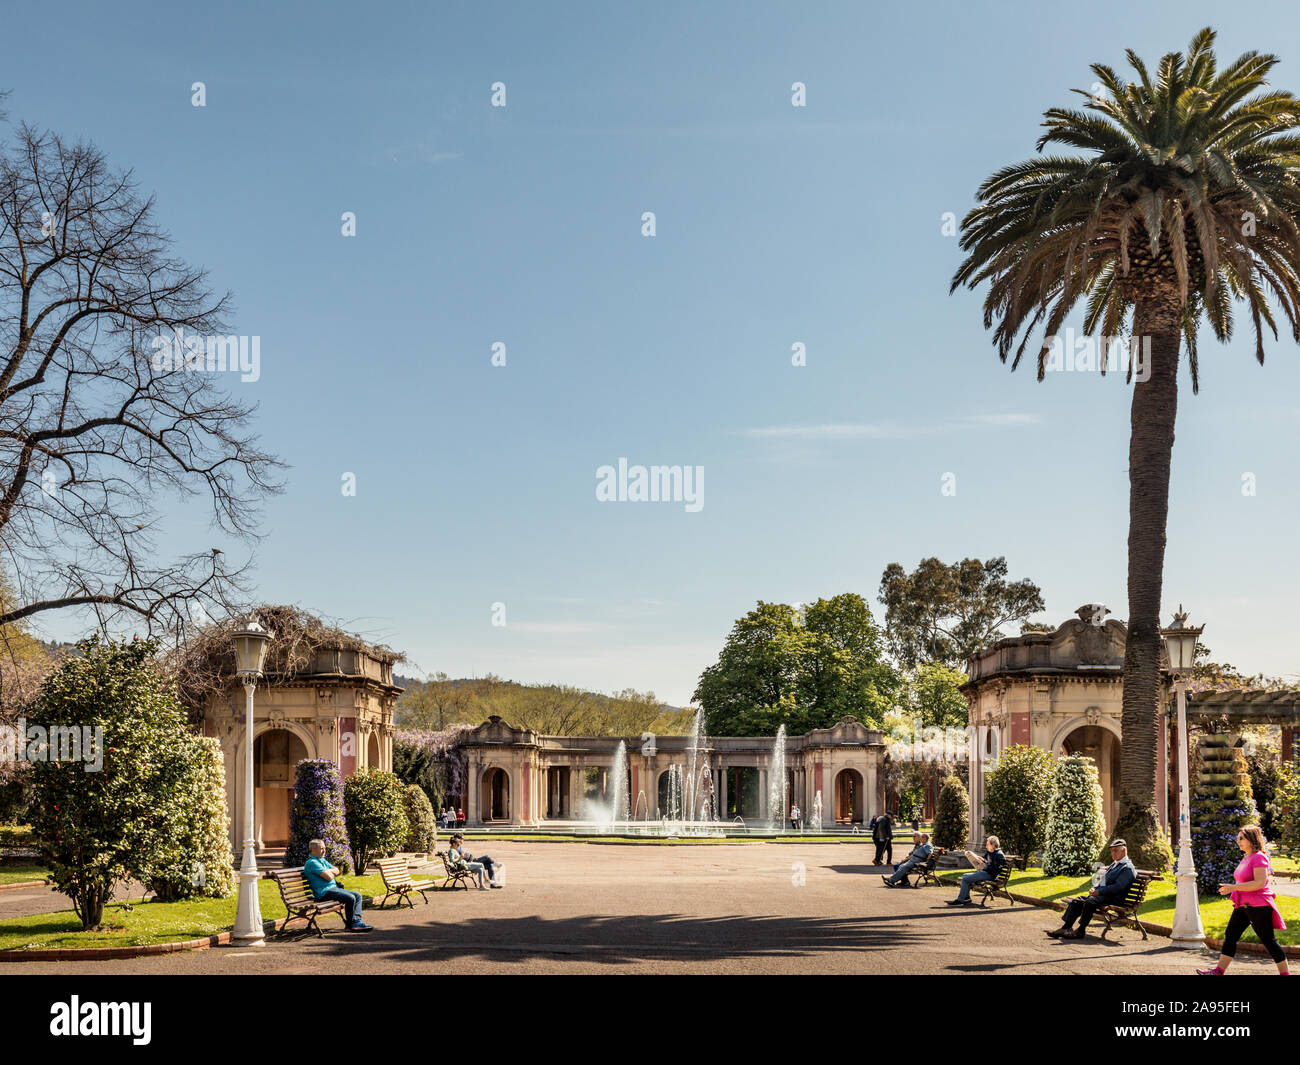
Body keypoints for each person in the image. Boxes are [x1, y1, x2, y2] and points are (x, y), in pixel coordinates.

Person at [1198, 825, 1290, 975]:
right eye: (1238, 838)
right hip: (1243, 905)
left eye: (1241, 838)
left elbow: (1259, 883)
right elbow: (1243, 881)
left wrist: (1233, 888)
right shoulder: (1246, 857)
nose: (1238, 841)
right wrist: (1232, 888)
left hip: (1259, 906)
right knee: (1231, 935)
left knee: (1268, 941)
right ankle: (1218, 971)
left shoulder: (1259, 857)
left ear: (1251, 840)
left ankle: (1285, 974)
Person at [1045, 838, 1135, 938]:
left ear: (1124, 850)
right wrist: (1094, 888)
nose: (1112, 853)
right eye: (1111, 851)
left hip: (1114, 898)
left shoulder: (1127, 867)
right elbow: (1102, 881)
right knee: (1077, 901)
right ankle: (1066, 927)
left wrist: (1099, 892)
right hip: (1104, 896)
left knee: (1089, 902)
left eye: (1115, 850)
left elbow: (1118, 887)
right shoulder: (1115, 864)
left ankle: (1080, 931)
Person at [303, 839, 373, 931]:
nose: (324, 850)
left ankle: (356, 922)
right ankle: (352, 924)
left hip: (332, 889)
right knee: (350, 898)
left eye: (324, 848)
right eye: (321, 848)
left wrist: (329, 871)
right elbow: (329, 877)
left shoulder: (322, 860)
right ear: (313, 850)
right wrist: (330, 872)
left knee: (358, 895)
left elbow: (337, 870)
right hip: (323, 893)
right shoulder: (312, 862)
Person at [947, 836, 1008, 906]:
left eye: (987, 844)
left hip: (990, 875)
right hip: (985, 872)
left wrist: (985, 866)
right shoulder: (990, 852)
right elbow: (986, 861)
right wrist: (979, 859)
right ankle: (966, 898)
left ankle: (960, 900)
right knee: (965, 876)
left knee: (966, 879)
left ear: (993, 845)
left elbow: (996, 870)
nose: (986, 846)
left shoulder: (999, 855)